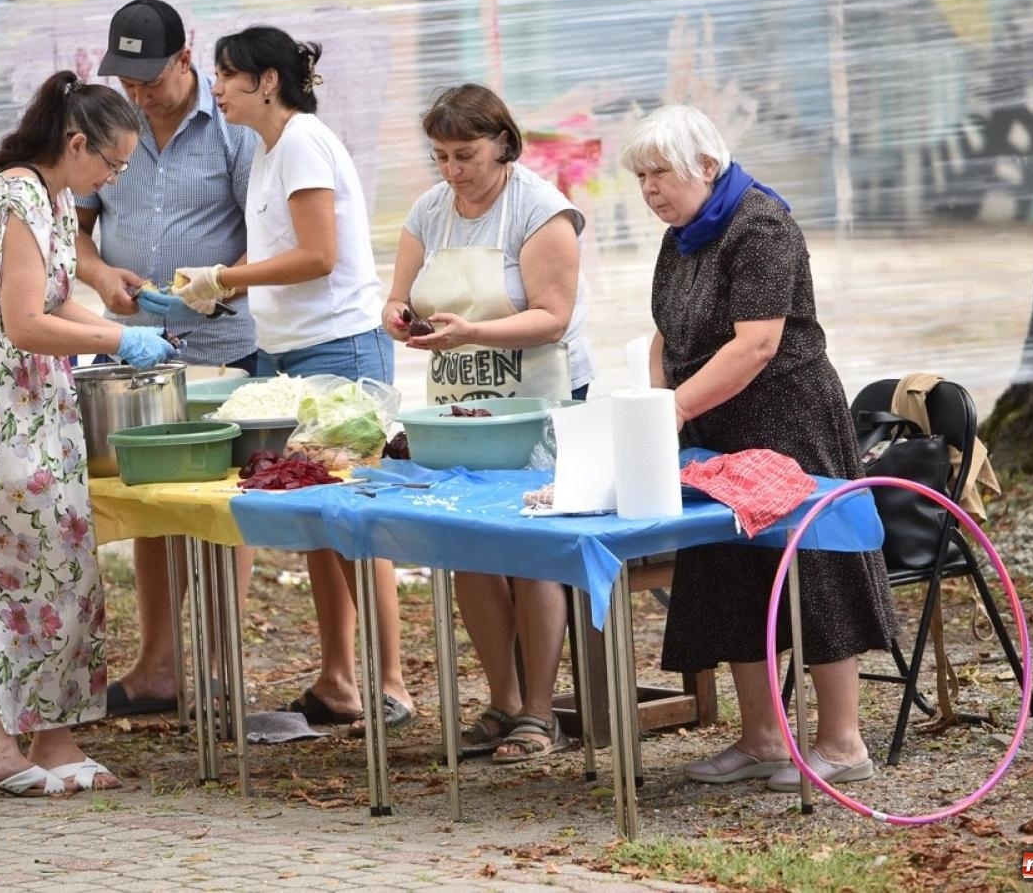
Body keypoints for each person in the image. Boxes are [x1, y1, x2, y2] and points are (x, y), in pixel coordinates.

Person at [0, 71, 178, 800]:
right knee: (2, 565)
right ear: (77, 142)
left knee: (57, 562)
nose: (113, 178)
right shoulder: (17, 196)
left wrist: (125, 322)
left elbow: (54, 303)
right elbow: (24, 322)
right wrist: (117, 339)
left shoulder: (54, 199)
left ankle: (53, 733)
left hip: (30, 398)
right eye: (111, 165)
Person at [623, 103, 897, 790]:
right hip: (715, 429)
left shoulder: (761, 227)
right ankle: (763, 737)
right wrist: (662, 402)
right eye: (641, 177)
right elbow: (665, 333)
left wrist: (674, 410)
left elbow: (757, 344)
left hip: (787, 420)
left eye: (660, 173)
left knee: (815, 572)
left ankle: (842, 742)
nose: (650, 189)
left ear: (707, 168)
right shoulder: (682, 233)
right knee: (729, 574)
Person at [173, 25, 413, 730]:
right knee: (319, 526)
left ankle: (391, 683)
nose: (214, 88)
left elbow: (317, 254)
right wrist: (214, 292)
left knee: (356, 523)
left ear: (266, 81)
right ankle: (340, 680)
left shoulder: (304, 139)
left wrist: (227, 275)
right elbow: (280, 253)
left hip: (339, 351)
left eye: (225, 75)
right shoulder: (268, 149)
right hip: (293, 354)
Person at [383, 83, 596, 762]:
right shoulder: (429, 210)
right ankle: (502, 701)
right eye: (441, 156)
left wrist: (473, 330)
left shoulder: (540, 210)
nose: (453, 171)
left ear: (503, 143)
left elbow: (551, 316)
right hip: (458, 405)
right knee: (470, 548)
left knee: (530, 553)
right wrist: (396, 318)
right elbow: (399, 295)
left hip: (534, 400)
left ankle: (541, 711)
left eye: (466, 155)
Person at [74, 0, 261, 718]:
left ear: (188, 59)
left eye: (152, 78)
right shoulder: (108, 130)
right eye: (127, 81)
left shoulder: (232, 134)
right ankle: (157, 665)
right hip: (133, 352)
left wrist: (216, 287)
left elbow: (264, 238)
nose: (140, 94)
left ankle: (219, 666)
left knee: (216, 508)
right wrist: (99, 279)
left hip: (221, 347)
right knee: (150, 501)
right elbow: (80, 233)